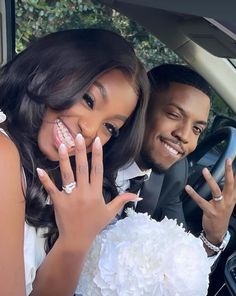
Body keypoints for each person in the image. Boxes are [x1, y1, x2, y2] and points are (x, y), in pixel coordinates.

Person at [0, 28, 150, 296]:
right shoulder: (3, 153)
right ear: (53, 69)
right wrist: (77, 239)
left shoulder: (42, 176)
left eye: (110, 128)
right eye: (88, 99)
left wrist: (76, 238)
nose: (90, 129)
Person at [116, 64, 236, 259]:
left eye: (197, 129)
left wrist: (214, 236)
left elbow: (182, 260)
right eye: (173, 115)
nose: (184, 136)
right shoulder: (93, 153)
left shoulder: (173, 174)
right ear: (141, 107)